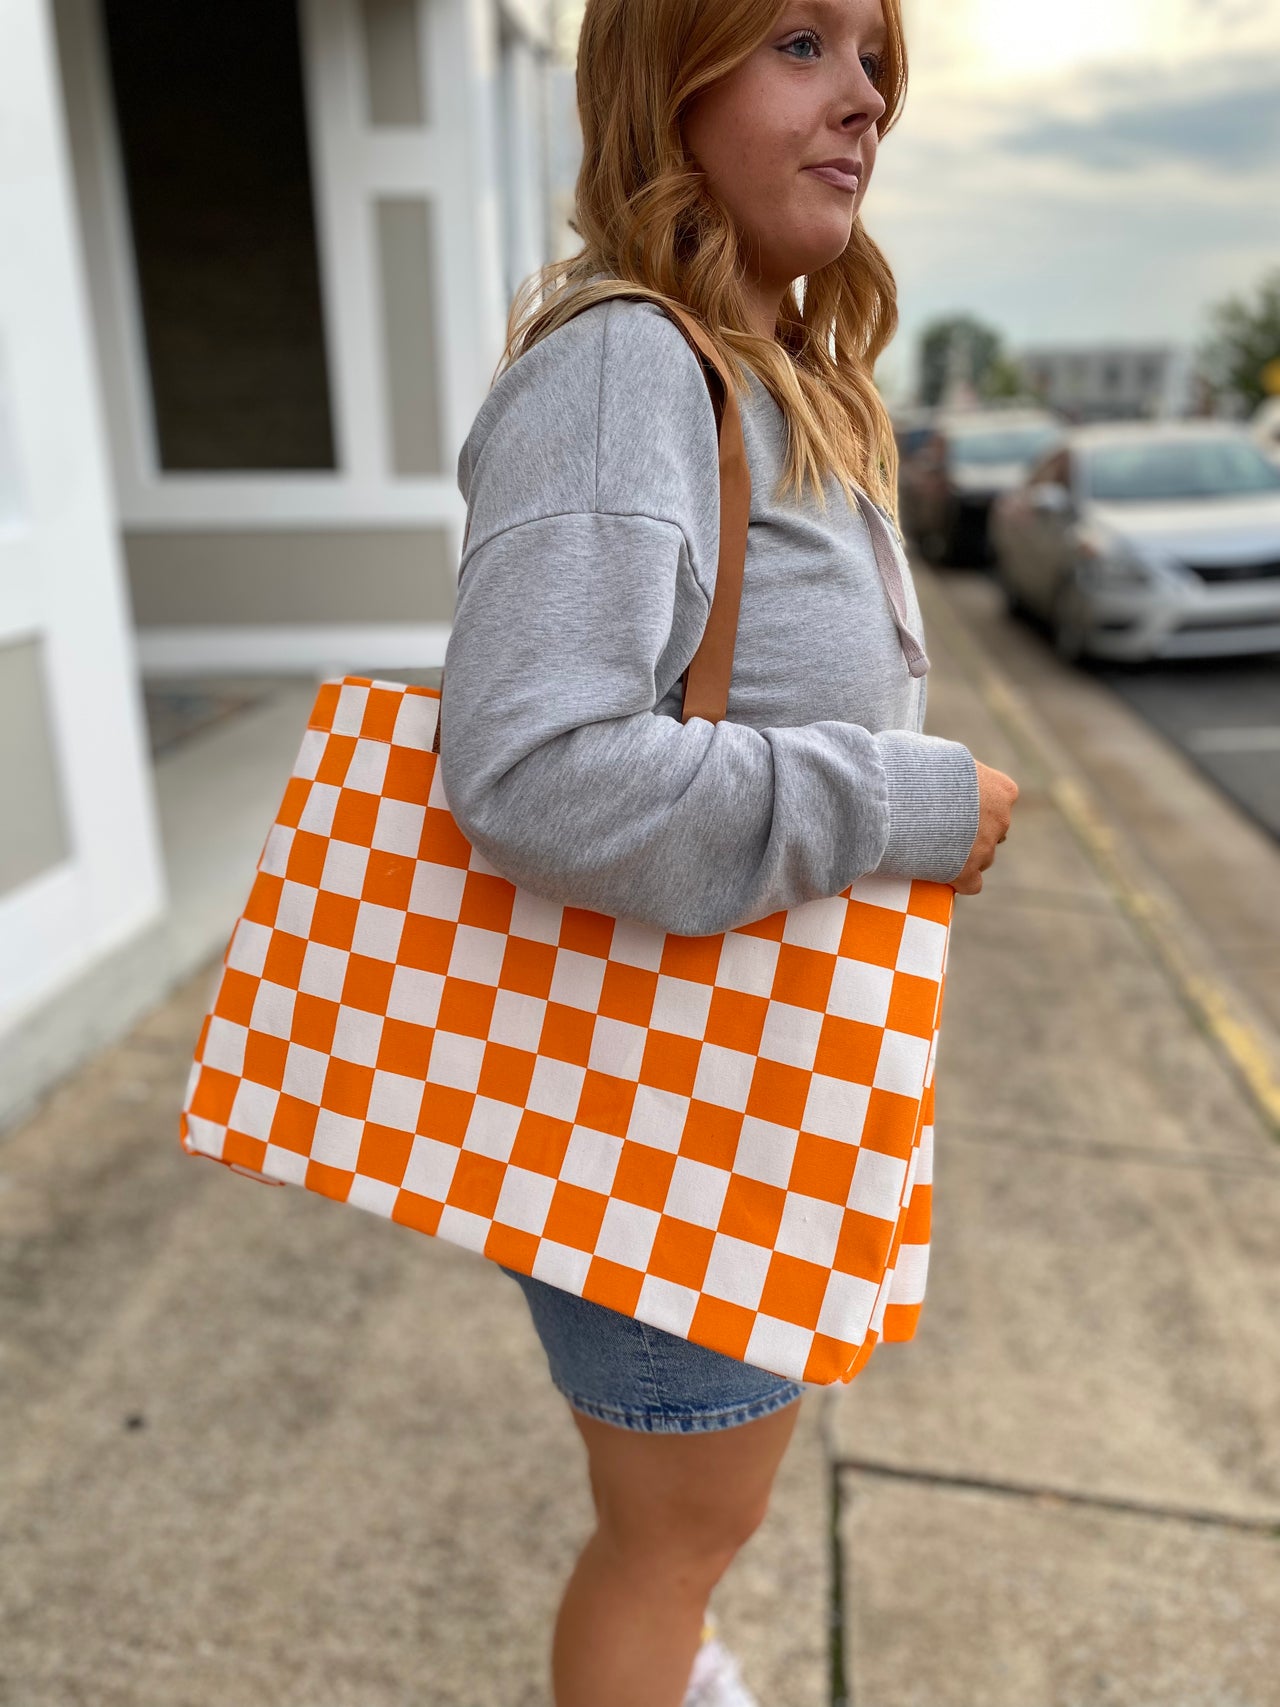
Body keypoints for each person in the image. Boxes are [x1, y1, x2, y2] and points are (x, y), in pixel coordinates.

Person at [438, 0, 1020, 1701]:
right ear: (664, 84)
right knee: (671, 1539)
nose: (865, 99)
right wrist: (908, 799)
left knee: (690, 1534)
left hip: (729, 1098)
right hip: (662, 1109)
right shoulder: (629, 369)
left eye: (870, 55)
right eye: (798, 44)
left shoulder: (768, 373)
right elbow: (534, 771)